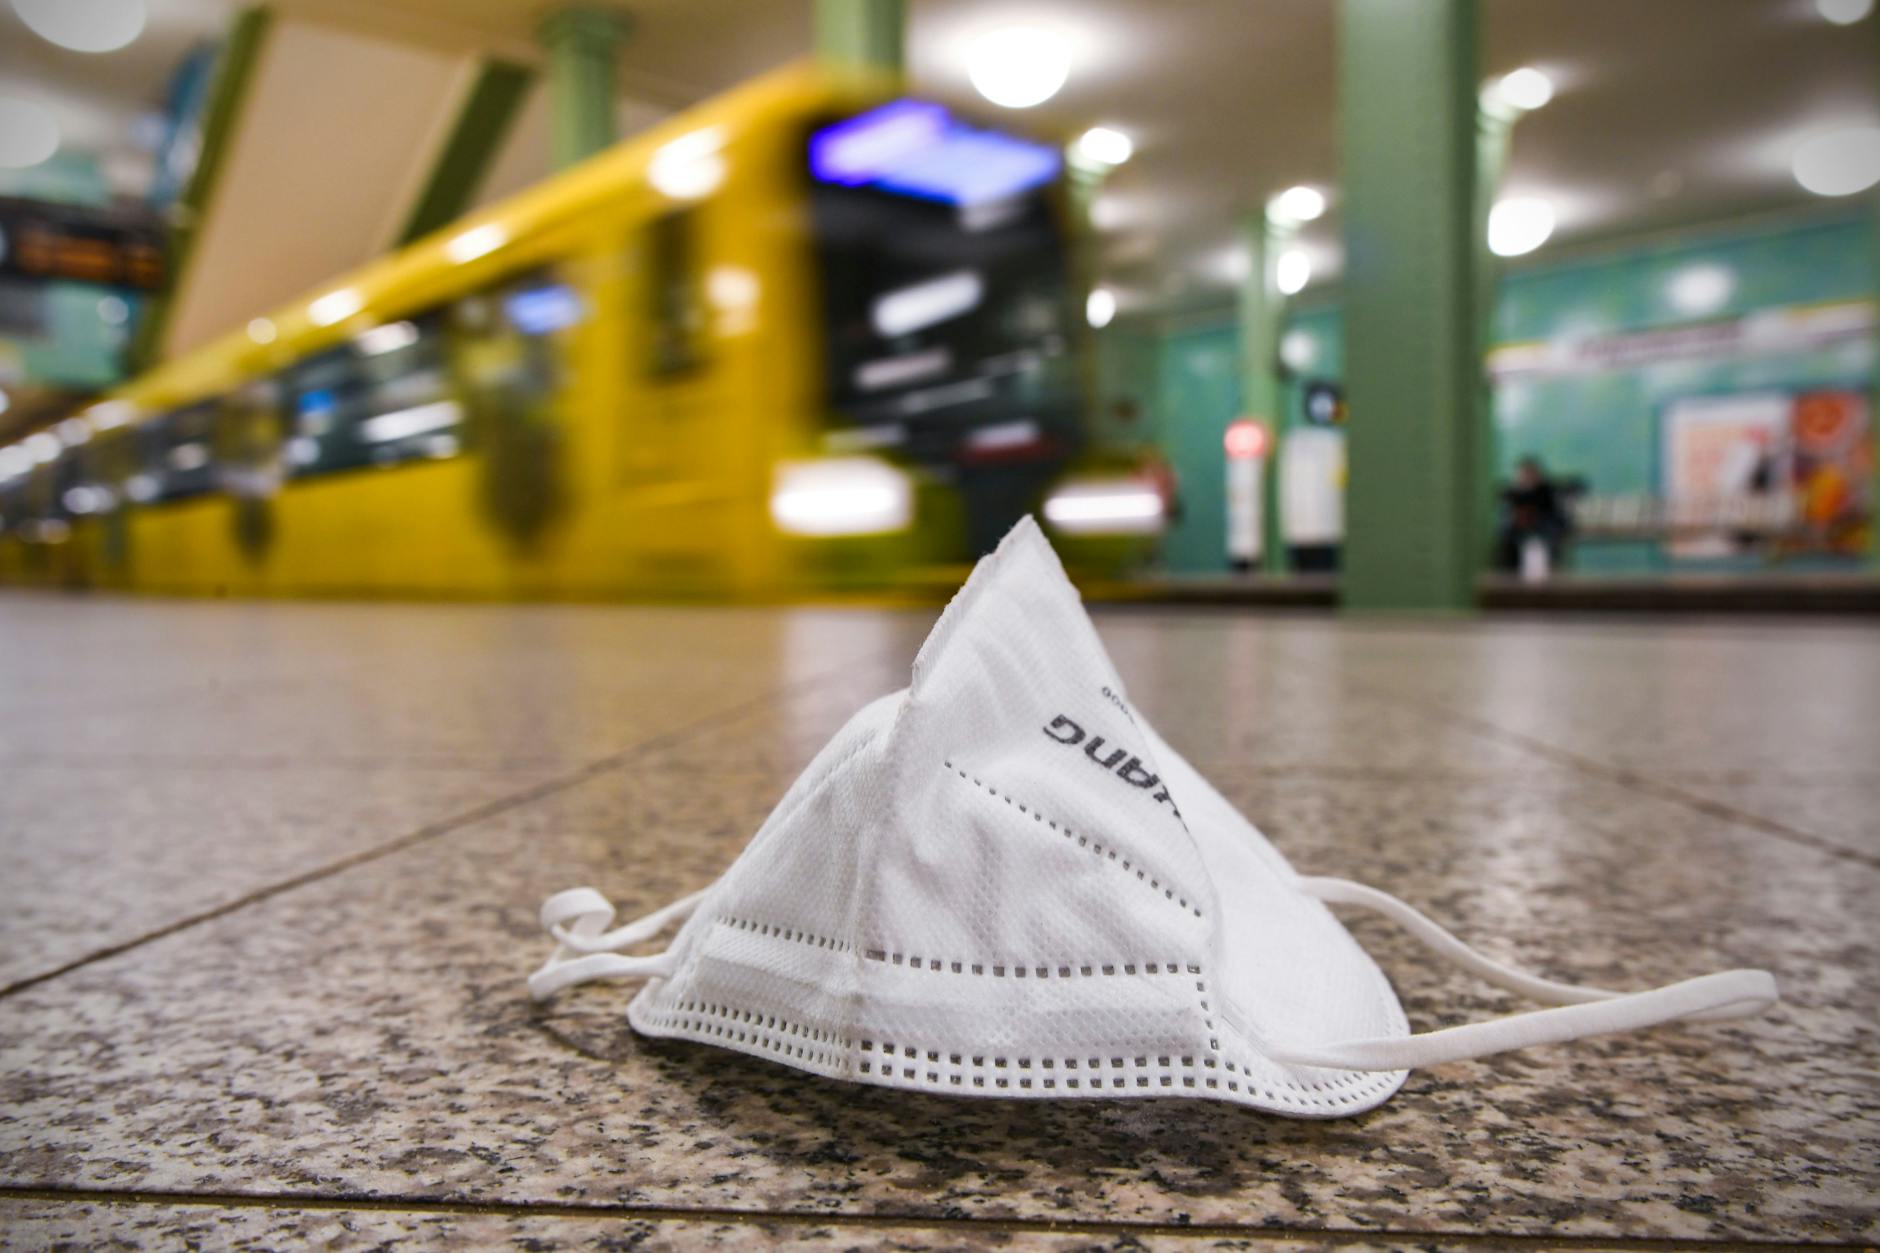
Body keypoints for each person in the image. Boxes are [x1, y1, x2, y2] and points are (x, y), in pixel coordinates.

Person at [1496, 455, 1571, 575]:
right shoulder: (1514, 495)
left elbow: (1561, 522)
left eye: (1530, 474)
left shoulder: (1547, 492)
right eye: (1524, 475)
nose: (1527, 478)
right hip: (1518, 544)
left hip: (1544, 536)